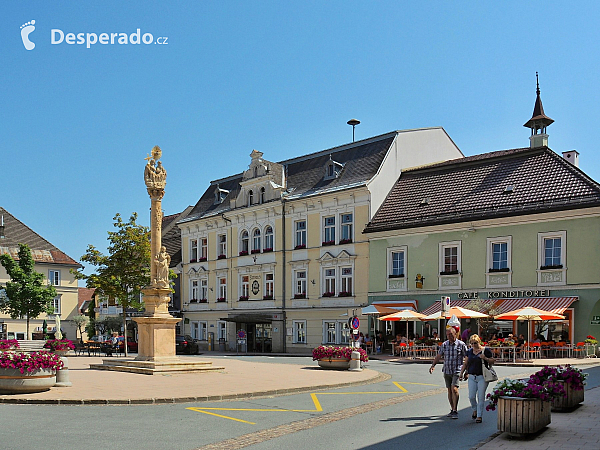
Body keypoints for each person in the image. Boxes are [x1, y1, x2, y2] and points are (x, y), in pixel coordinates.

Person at [429, 326, 468, 419]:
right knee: (449, 390)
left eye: (451, 334)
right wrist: (433, 365)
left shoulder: (461, 344)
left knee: (454, 389)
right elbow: (439, 356)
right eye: (447, 335)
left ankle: (455, 410)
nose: (449, 336)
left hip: (457, 370)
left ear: (455, 334)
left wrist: (467, 371)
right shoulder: (444, 344)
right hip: (447, 370)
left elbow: (467, 357)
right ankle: (452, 408)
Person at [460, 334, 495, 423]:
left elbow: (492, 361)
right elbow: (466, 363)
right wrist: (462, 373)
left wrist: (485, 358)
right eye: (472, 343)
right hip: (472, 376)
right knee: (471, 396)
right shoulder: (469, 351)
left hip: (482, 376)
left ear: (479, 342)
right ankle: (474, 409)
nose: (474, 345)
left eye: (475, 343)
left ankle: (479, 415)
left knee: (480, 396)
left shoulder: (485, 350)